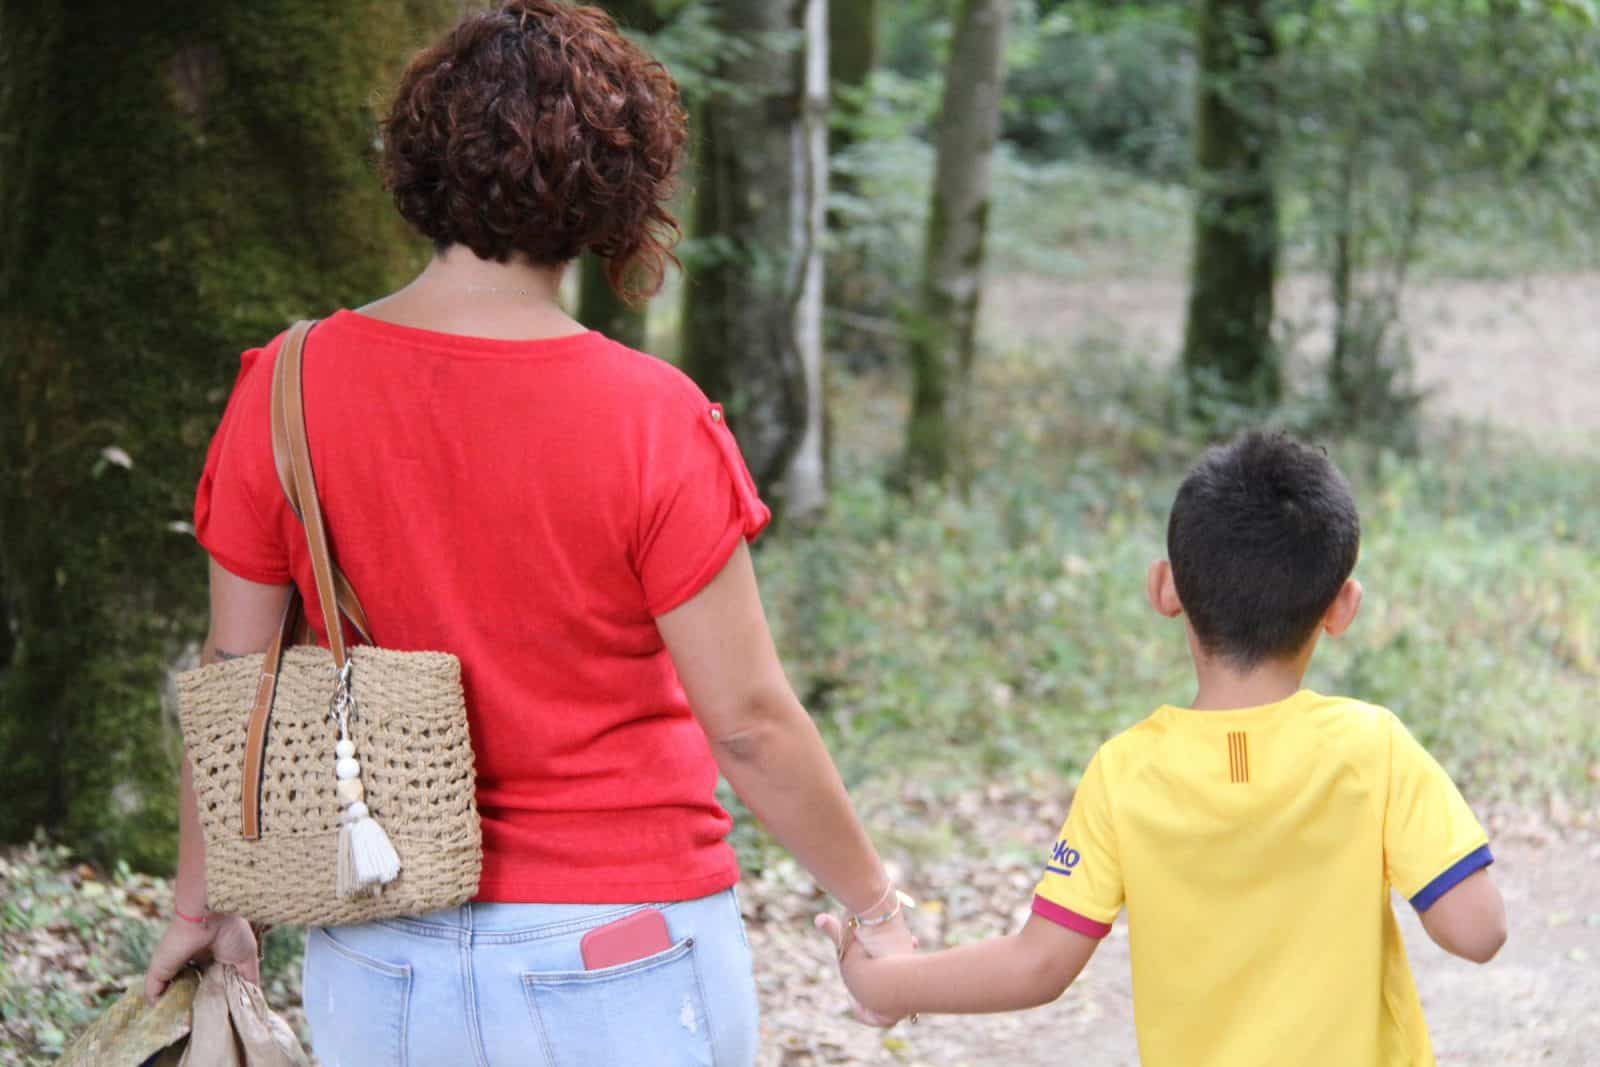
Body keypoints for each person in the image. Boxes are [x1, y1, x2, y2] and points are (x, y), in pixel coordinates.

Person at [141, 3, 913, 1063]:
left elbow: (240, 673)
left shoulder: (288, 383)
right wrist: (873, 904)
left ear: (419, 164)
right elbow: (746, 722)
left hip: (378, 933)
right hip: (623, 938)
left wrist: (203, 899)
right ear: (619, 186)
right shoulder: (654, 416)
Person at [819, 431, 1507, 1066]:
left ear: (1165, 587)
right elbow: (1477, 931)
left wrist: (884, 979)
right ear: (1342, 606)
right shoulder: (1372, 747)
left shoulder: (1126, 771)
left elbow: (1038, 965)